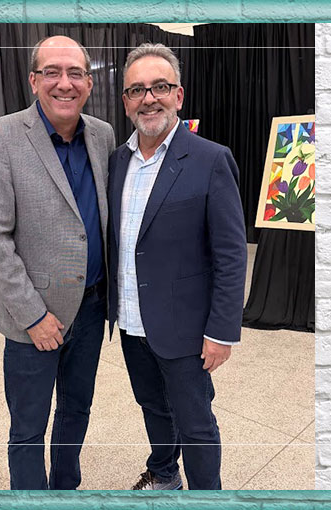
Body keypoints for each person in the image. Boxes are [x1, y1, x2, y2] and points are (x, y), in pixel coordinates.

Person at [0, 35, 115, 490]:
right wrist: (33, 316)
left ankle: (66, 488)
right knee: (28, 428)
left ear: (89, 83)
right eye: (52, 72)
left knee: (76, 411)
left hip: (91, 309)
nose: (64, 83)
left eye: (75, 73)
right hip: (32, 318)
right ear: (34, 80)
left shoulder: (102, 135)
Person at [107, 43, 247, 490]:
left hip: (187, 327)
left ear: (179, 95)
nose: (148, 98)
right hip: (131, 321)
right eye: (137, 90)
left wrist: (222, 331)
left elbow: (231, 254)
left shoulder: (210, 159)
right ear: (126, 101)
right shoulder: (117, 161)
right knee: (152, 407)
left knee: (195, 422)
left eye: (160, 87)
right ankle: (165, 476)